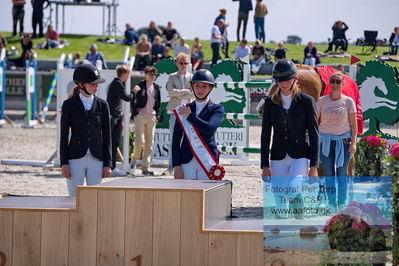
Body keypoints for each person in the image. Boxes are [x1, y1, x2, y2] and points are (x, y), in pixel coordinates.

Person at [260, 60, 319, 218]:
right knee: (279, 200)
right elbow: (265, 135)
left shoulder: (307, 101)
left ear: (294, 79)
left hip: (300, 155)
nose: (284, 84)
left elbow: (314, 133)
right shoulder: (270, 103)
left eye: (287, 80)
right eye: (280, 81)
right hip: (278, 156)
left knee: (293, 189)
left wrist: (314, 166)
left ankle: (299, 218)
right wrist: (264, 165)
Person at [60, 64, 112, 196]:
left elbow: (107, 135)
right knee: (74, 198)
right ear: (81, 84)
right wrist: (64, 163)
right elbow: (64, 135)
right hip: (75, 158)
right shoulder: (69, 105)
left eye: (97, 84)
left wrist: (108, 163)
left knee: (95, 199)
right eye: (93, 83)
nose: (97, 86)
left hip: (97, 158)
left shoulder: (103, 105)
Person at [172, 69, 225, 180]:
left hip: (207, 160)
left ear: (210, 88)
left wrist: (190, 116)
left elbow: (209, 129)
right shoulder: (184, 109)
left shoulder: (217, 109)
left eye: (204, 86)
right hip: (186, 160)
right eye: (197, 86)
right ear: (192, 87)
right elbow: (176, 139)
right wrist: (176, 165)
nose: (200, 90)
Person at [317, 72, 357, 211]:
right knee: (328, 174)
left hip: (344, 142)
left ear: (342, 84)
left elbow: (354, 124)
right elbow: (315, 122)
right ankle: (332, 204)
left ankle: (341, 204)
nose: (334, 84)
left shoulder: (348, 102)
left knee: (342, 174)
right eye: (332, 81)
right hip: (325, 142)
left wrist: (353, 142)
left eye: (338, 82)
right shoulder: (321, 101)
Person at [165, 53, 194, 174]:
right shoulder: (171, 76)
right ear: (177, 63)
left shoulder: (192, 77)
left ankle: (188, 164)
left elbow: (195, 94)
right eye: (181, 63)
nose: (183, 65)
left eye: (185, 63)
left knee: (190, 138)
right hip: (174, 111)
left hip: (188, 112)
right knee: (174, 139)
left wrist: (180, 93)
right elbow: (170, 92)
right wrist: (184, 92)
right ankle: (172, 165)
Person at [130, 66, 161, 176]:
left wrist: (157, 115)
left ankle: (145, 167)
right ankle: (134, 160)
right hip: (140, 115)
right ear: (145, 74)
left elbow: (158, 103)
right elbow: (132, 99)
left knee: (150, 143)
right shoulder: (139, 85)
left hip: (151, 116)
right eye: (150, 74)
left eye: (154, 74)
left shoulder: (156, 87)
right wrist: (134, 113)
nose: (152, 76)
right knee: (139, 141)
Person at [106, 65, 134, 171]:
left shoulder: (118, 83)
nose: (128, 77)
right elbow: (127, 97)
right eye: (128, 74)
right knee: (111, 142)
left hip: (116, 116)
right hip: (113, 117)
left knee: (115, 142)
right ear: (123, 74)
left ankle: (111, 166)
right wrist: (134, 91)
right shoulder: (117, 84)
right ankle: (109, 165)